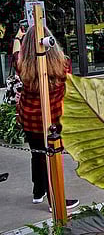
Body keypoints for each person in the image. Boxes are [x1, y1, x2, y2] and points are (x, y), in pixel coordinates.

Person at [14, 26, 79, 210]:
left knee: (37, 154)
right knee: (51, 158)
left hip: (30, 119)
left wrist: (18, 38)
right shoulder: (63, 64)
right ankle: (55, 200)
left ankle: (38, 191)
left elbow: (15, 54)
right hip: (55, 119)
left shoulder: (21, 65)